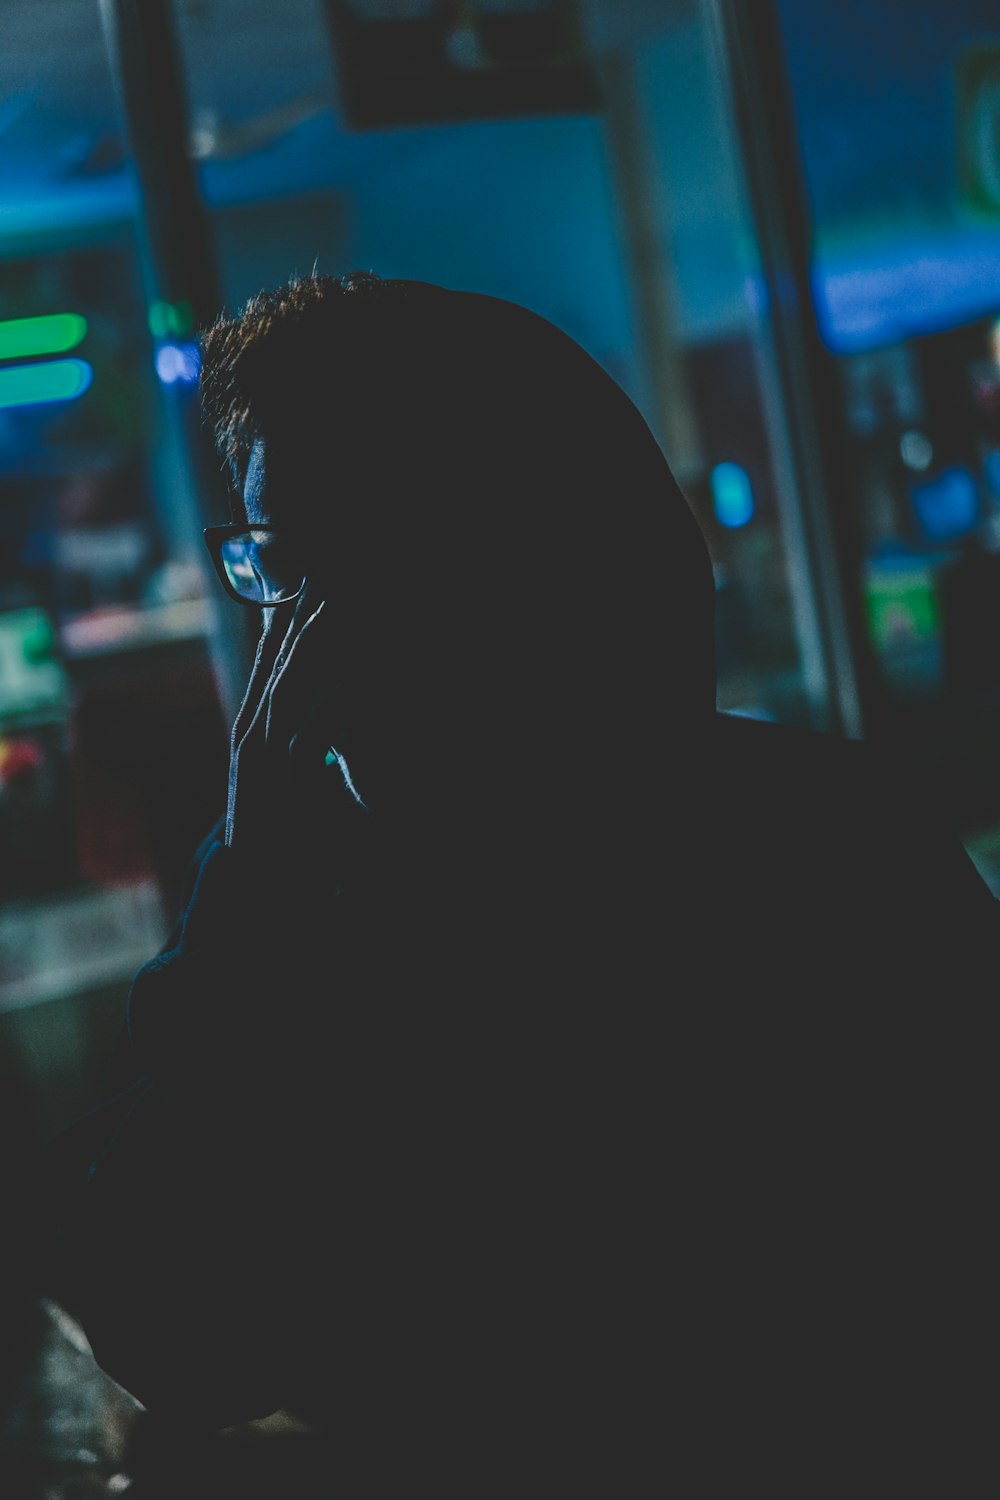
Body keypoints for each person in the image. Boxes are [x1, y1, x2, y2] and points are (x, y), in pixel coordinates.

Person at [37, 271, 997, 1486]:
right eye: (287, 565)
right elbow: (170, 1321)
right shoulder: (335, 898)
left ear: (540, 559)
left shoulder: (819, 858)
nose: (320, 641)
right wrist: (258, 887)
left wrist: (259, 889)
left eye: (376, 559)